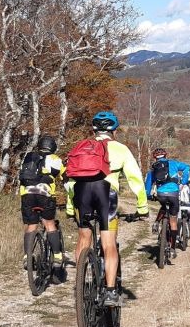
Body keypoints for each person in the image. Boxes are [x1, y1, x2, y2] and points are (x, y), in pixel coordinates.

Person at [64, 111, 147, 309]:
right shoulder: (121, 149)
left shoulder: (82, 146)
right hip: (106, 195)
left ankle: (82, 282)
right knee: (108, 243)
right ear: (115, 131)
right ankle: (110, 292)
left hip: (81, 194)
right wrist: (142, 206)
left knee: (84, 238)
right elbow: (135, 178)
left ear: (94, 129)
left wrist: (69, 206)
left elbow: (70, 180)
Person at [17, 135, 67, 279]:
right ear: (53, 148)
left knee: (31, 226)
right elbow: (65, 177)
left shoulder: (28, 157)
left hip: (26, 195)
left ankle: (27, 256)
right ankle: (57, 257)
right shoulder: (55, 160)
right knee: (50, 224)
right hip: (44, 195)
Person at [146, 147, 190, 250]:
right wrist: (183, 183)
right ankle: (172, 248)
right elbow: (187, 167)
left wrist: (148, 195)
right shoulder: (174, 163)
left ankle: (157, 222)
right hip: (173, 194)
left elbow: (148, 184)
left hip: (161, 195)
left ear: (155, 158)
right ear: (166, 155)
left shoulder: (154, 168)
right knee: (173, 220)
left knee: (163, 206)